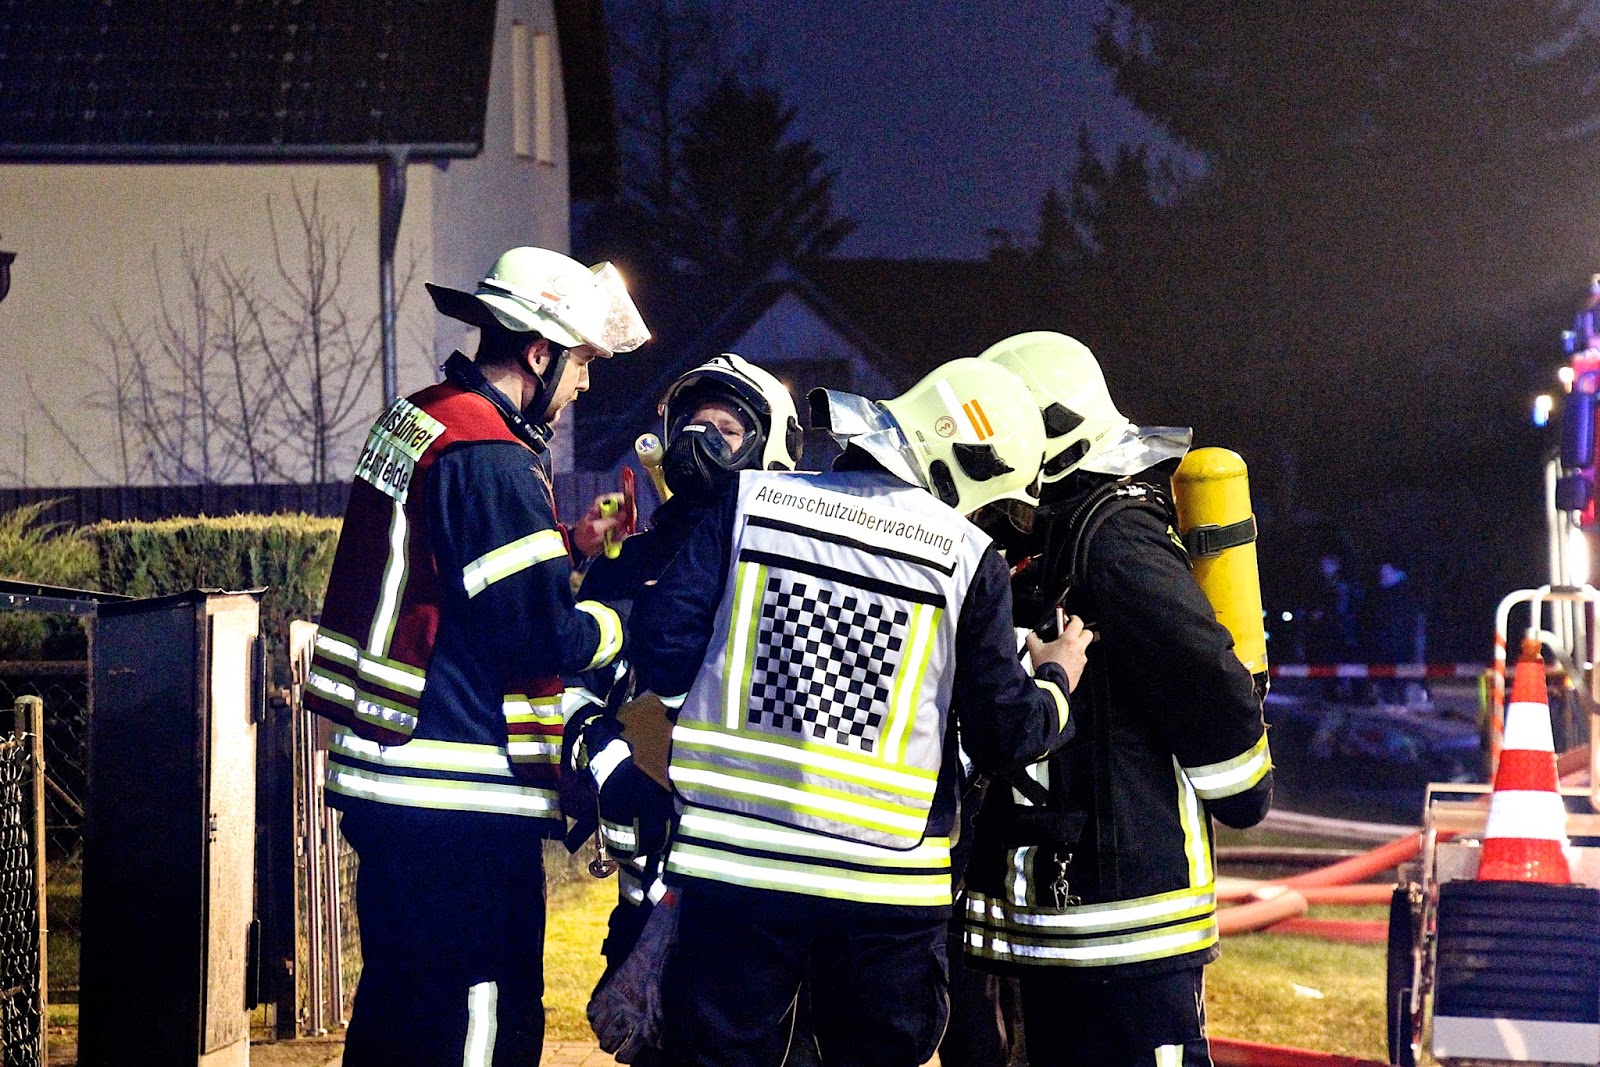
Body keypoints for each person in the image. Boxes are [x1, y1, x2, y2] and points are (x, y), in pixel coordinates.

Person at [630, 357, 1094, 1067]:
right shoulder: (969, 558)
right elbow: (1007, 733)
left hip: (734, 870)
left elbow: (661, 649)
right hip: (883, 892)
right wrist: (1059, 673)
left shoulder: (751, 502)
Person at [302, 245, 649, 1066]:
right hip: (461, 794)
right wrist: (621, 622)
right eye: (583, 365)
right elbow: (533, 635)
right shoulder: (493, 456)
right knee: (482, 1012)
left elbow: (454, 580)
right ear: (539, 352)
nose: (584, 385)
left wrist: (575, 542)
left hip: (393, 784)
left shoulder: (419, 418)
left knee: (397, 1005)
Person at [960, 332, 1273, 1067]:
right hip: (1064, 922)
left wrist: (1245, 785)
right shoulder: (1052, 536)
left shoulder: (1114, 538)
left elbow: (1204, 673)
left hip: (1121, 927)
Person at [563, 353, 802, 1004]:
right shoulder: (628, 560)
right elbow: (578, 689)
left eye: (724, 429)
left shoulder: (793, 570)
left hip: (756, 875)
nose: (700, 440)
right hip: (650, 880)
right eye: (693, 424)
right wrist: (614, 771)